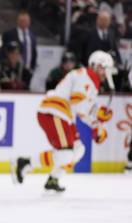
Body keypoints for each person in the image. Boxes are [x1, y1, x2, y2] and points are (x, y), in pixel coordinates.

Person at [11, 50, 115, 192]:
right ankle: (25, 163)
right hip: (55, 112)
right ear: (97, 66)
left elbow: (83, 109)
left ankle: (53, 178)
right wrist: (97, 118)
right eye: (106, 69)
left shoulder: (91, 82)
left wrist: (97, 121)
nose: (107, 73)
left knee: (79, 150)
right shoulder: (85, 77)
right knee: (65, 154)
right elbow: (79, 106)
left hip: (65, 116)